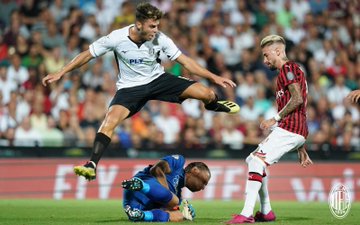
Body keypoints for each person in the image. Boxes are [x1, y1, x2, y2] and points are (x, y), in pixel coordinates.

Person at [41, 3, 239, 181]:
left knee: (208, 93)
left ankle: (213, 106)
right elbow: (87, 55)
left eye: (157, 25)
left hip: (158, 79)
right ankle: (92, 164)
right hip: (129, 88)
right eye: (152, 26)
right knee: (109, 122)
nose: (156, 30)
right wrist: (61, 72)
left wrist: (214, 77)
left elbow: (186, 61)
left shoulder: (160, 39)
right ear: (138, 24)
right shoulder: (116, 38)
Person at [225, 35, 313, 224]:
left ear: (279, 52)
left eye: (266, 55)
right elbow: (300, 105)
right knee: (253, 159)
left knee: (257, 162)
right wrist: (301, 145)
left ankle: (247, 213)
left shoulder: (288, 69)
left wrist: (275, 118)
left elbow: (297, 99)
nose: (265, 61)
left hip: (290, 129)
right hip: (292, 130)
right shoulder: (287, 72)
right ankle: (266, 211)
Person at [121, 154, 211, 222]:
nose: (203, 187)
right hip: (145, 182)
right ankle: (142, 186)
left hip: (135, 205)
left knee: (178, 215)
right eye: (204, 182)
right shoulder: (178, 163)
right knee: (174, 201)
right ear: (195, 170)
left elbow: (169, 212)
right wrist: (167, 193)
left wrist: (185, 215)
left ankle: (141, 215)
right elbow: (157, 169)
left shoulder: (178, 195)